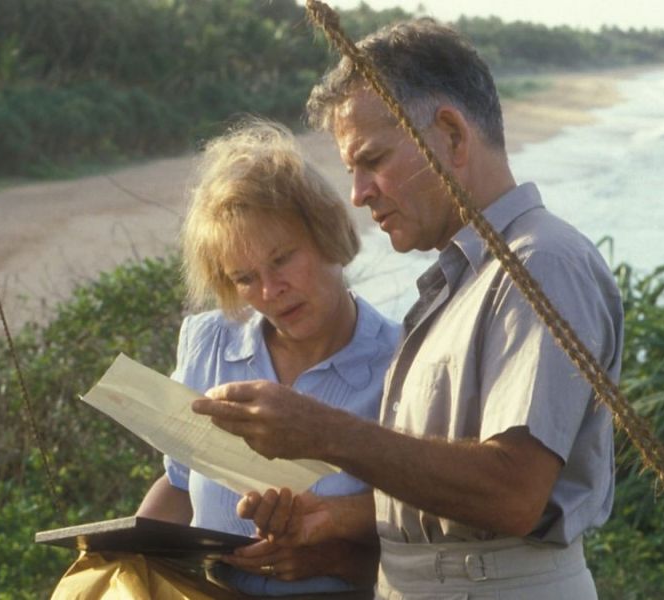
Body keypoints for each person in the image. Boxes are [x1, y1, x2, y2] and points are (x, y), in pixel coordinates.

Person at [193, 19, 624, 599]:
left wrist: (320, 432)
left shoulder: (541, 263)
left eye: (372, 160)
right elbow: (441, 490)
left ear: (451, 135)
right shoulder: (466, 278)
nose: (358, 193)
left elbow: (513, 493)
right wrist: (336, 518)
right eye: (352, 170)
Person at [52, 120, 400, 598]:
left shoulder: (402, 360)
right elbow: (179, 483)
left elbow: (433, 537)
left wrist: (333, 561)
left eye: (281, 259)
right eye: (244, 278)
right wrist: (125, 552)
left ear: (329, 234)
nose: (270, 291)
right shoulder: (210, 342)